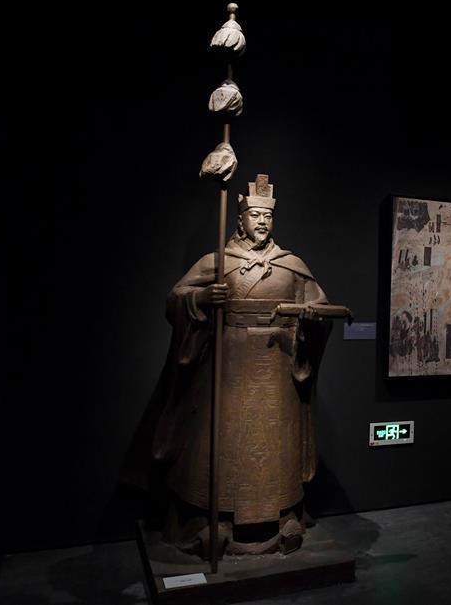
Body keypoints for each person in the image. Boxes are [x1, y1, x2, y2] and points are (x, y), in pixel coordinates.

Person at [123, 175, 333, 557]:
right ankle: (211, 521)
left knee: (275, 443)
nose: (262, 222)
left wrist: (312, 319)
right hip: (228, 369)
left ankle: (283, 517)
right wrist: (201, 298)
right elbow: (175, 299)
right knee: (220, 441)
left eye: (267, 216)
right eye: (255, 215)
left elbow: (320, 306)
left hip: (277, 368)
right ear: (241, 219)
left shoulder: (292, 267)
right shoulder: (218, 262)